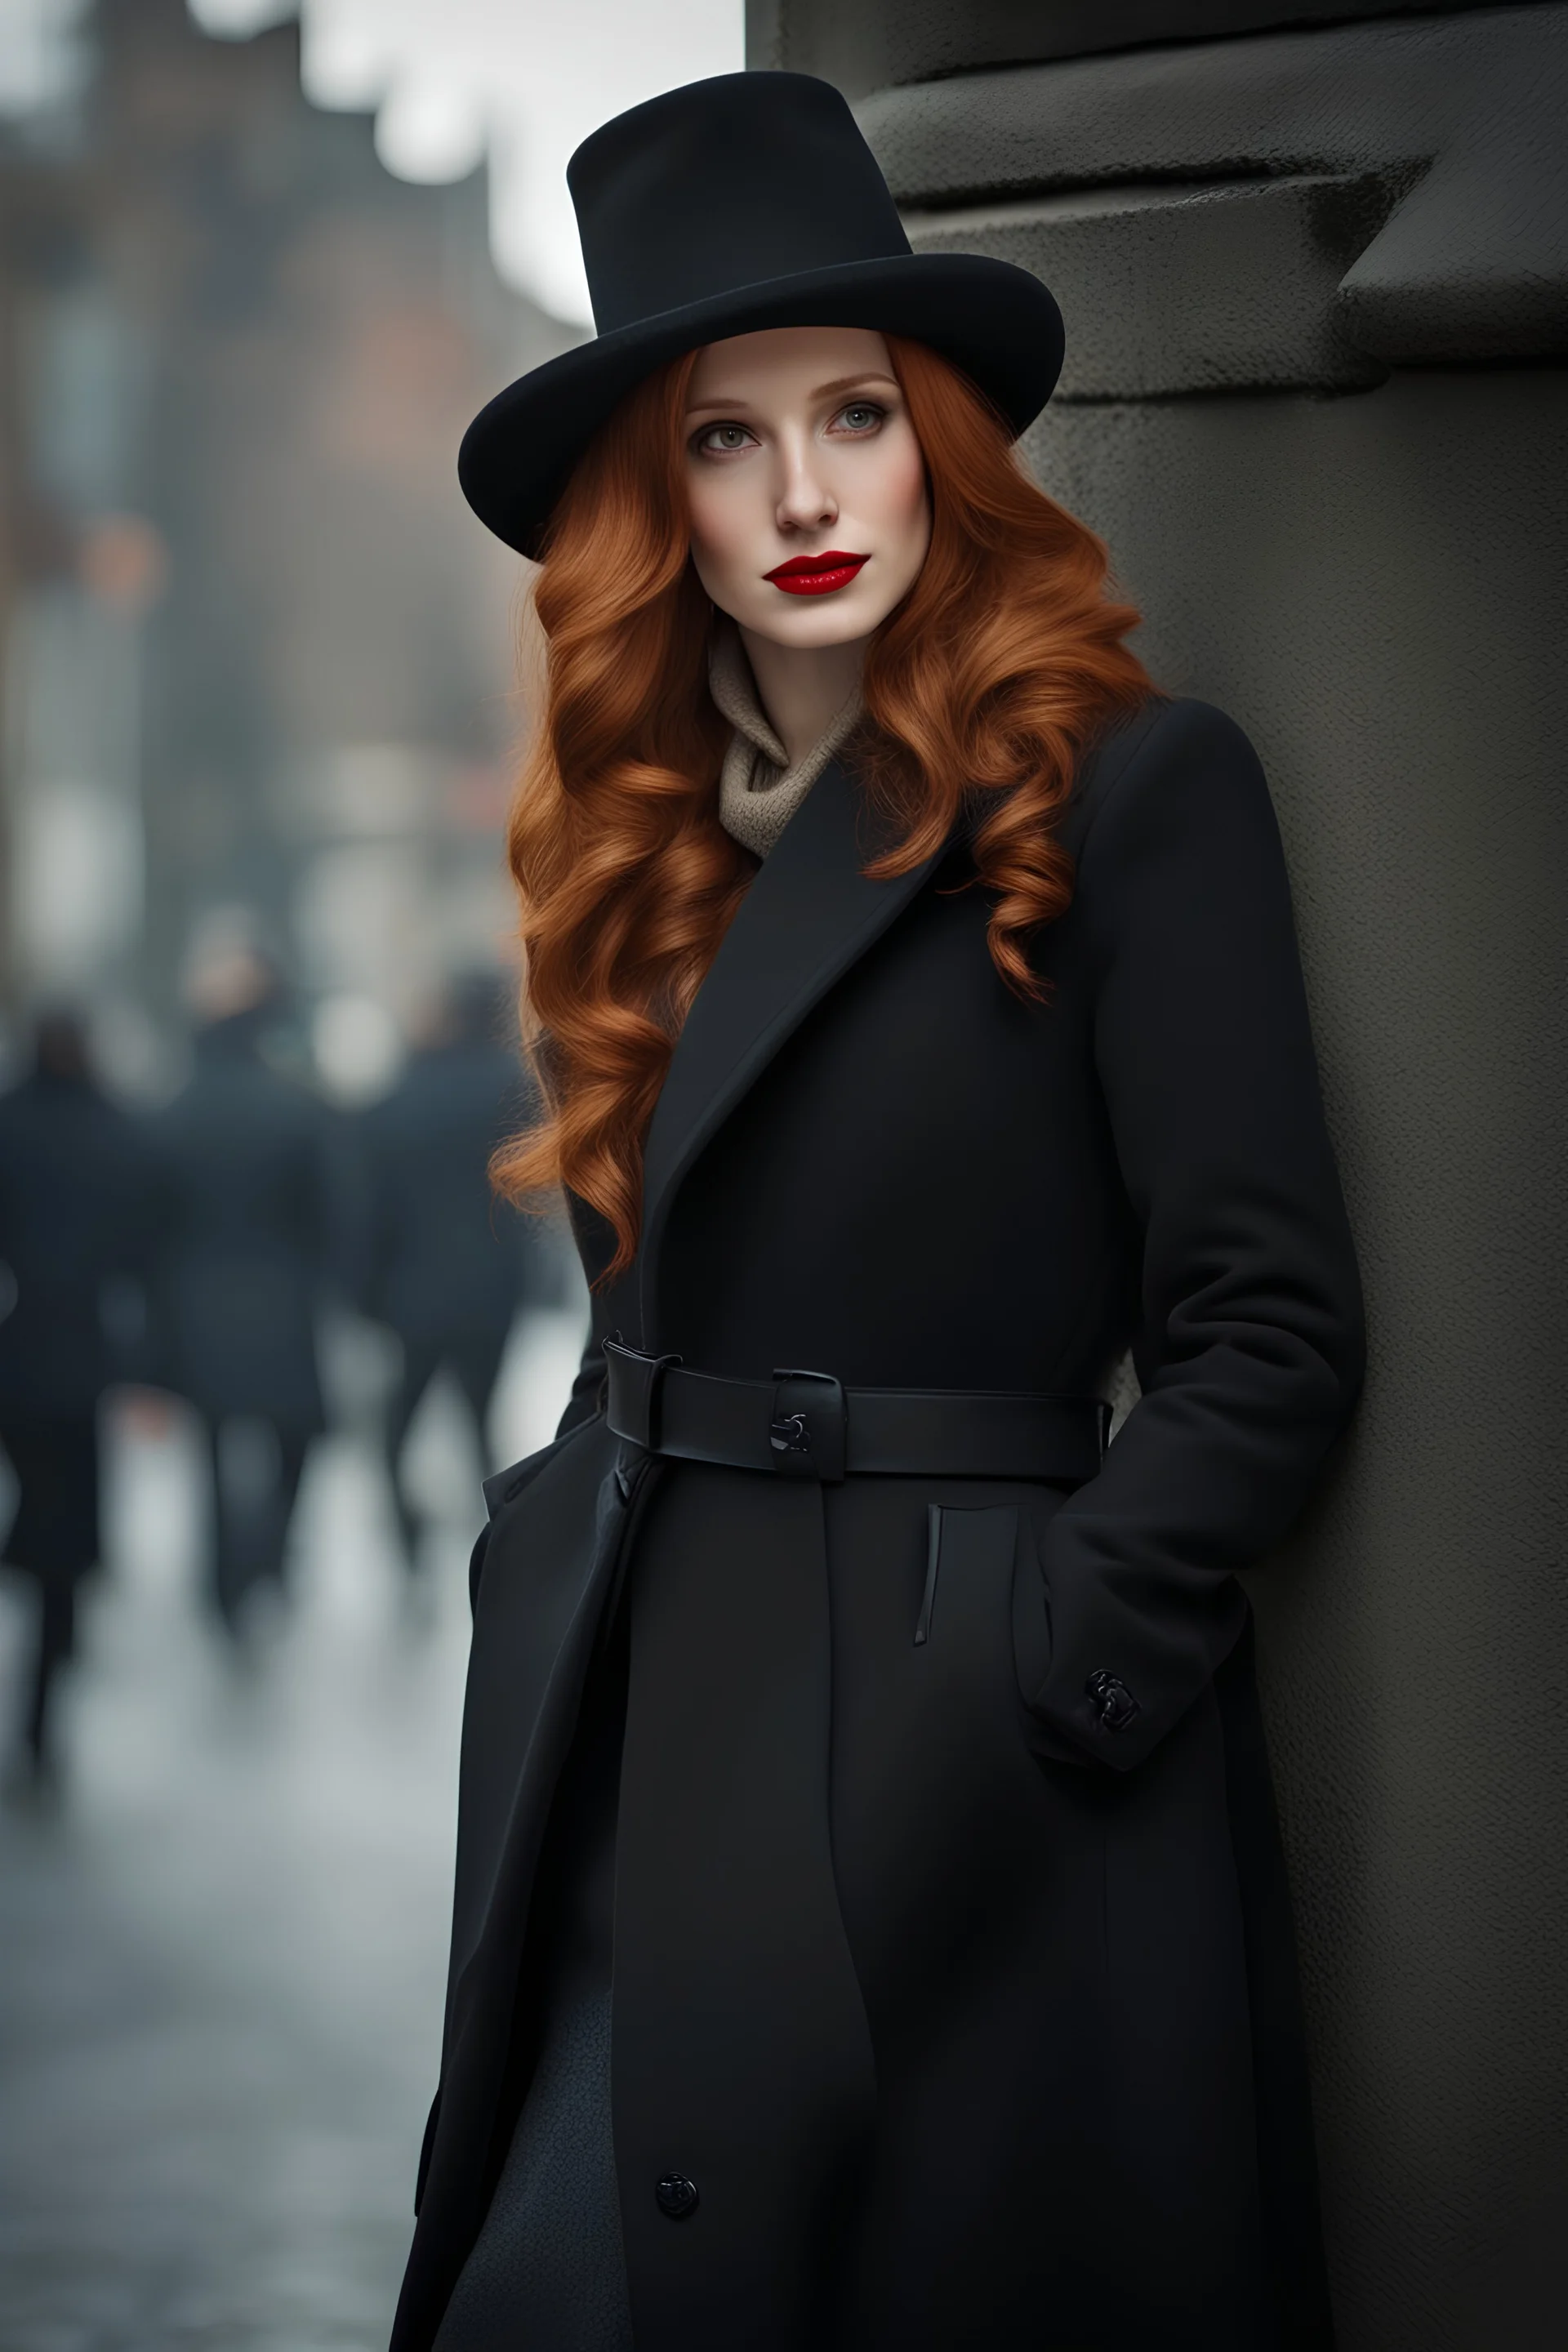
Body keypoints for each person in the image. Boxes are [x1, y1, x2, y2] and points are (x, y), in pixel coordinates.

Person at [394, 73, 1364, 2352]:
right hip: (630, 1726)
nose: (809, 494)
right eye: (729, 442)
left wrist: (1046, 1666)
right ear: (659, 502)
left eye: (855, 414)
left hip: (973, 1778)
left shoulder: (1129, 787)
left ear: (941, 433)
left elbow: (1272, 1332)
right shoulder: (620, 851)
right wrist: (542, 1546)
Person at [144, 927, 332, 1633]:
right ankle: (268, 1556)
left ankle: (224, 1581)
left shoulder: (171, 1110)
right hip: (281, 1299)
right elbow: (331, 1212)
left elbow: (149, 1224)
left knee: (213, 1453)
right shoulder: (297, 1105)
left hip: (195, 1303)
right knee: (294, 1440)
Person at [354, 973, 559, 1565]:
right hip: (492, 1291)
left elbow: (370, 1209)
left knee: (395, 1430)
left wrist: (363, 1295)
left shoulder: (398, 1096)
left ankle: (407, 1541)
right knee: (481, 1421)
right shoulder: (514, 1089)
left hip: (411, 1295)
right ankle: (498, 1543)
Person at [0, 1011, 149, 1785]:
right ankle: (50, 1676)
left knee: (40, 1510)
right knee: (65, 1525)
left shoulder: (10, 1123)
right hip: (82, 1355)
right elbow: (141, 1242)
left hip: (16, 1346)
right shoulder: (114, 1129)